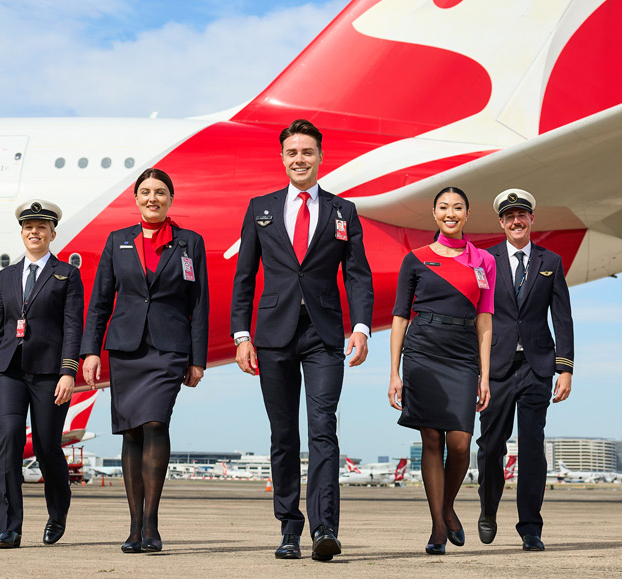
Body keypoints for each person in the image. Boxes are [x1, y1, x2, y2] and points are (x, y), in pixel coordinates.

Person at [231, 119, 374, 562]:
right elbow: (245, 277)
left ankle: (325, 527)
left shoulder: (341, 211)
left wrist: (362, 327)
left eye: (307, 152)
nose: (300, 159)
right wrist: (241, 334)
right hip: (273, 335)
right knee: (283, 435)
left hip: (324, 334)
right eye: (292, 152)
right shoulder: (260, 208)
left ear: (320, 157)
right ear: (283, 158)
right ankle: (290, 528)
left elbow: (357, 274)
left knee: (323, 428)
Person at [80, 168, 209, 554]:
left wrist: (197, 359)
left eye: (160, 192)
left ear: (171, 198)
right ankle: (134, 526)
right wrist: (90, 351)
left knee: (155, 421)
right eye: (145, 192)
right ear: (135, 199)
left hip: (169, 349)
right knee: (131, 432)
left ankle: (151, 524)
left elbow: (199, 304)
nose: (152, 198)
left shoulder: (190, 243)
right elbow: (100, 302)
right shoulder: (117, 241)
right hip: (126, 349)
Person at [388, 187, 493, 555]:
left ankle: (448, 506)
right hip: (422, 351)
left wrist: (485, 374)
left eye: (458, 208)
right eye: (444, 208)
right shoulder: (415, 259)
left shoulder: (484, 261)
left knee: (460, 444)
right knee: (431, 440)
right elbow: (400, 317)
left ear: (467, 214)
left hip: (463, 354)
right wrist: (394, 372)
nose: (451, 213)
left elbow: (485, 321)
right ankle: (437, 528)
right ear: (434, 214)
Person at [0, 199, 84, 549]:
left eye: (41, 227)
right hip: (8, 370)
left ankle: (58, 512)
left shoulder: (67, 274)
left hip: (49, 373)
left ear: (53, 233)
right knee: (7, 440)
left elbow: (73, 328)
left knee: (46, 447)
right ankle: (10, 528)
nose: (34, 232)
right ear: (21, 233)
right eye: (28, 227)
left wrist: (69, 372)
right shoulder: (6, 277)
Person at [476, 188, 574, 552]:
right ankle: (488, 509)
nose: (517, 221)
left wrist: (565, 369)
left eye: (522, 215)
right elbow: (477, 316)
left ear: (532, 219)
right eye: (509, 216)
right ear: (501, 222)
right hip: (496, 369)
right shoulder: (485, 261)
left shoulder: (551, 261)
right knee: (489, 447)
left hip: (537, 368)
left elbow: (562, 317)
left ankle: (530, 528)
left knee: (533, 448)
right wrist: (477, 371)